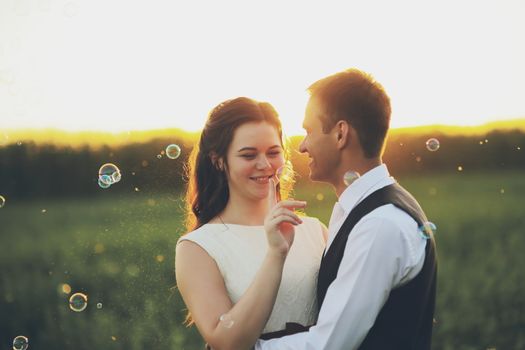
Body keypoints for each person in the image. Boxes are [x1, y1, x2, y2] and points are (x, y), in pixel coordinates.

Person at [256, 68, 438, 349]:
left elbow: (328, 344)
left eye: (308, 131)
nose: (302, 147)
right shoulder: (362, 210)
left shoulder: (379, 224)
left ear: (341, 134)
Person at [175, 97, 327, 350]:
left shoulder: (315, 231)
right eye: (248, 155)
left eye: (273, 152)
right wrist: (276, 254)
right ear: (218, 160)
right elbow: (227, 342)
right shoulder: (197, 248)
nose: (265, 165)